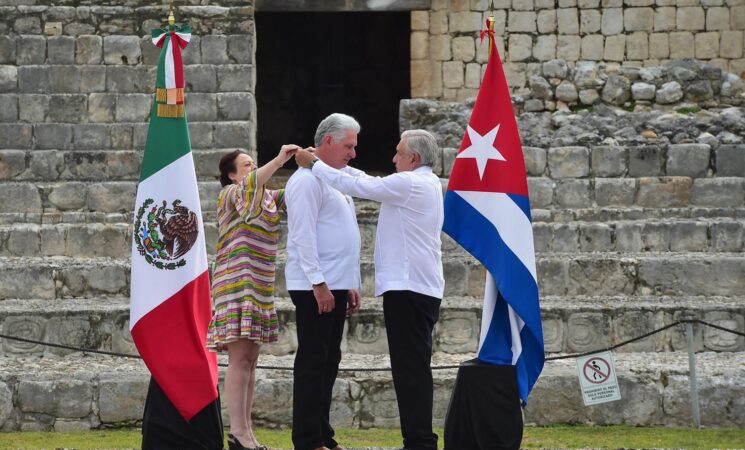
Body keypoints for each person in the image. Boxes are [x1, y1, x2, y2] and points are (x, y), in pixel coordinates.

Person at [295, 129, 445, 450]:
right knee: (411, 366)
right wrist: (328, 163)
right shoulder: (423, 182)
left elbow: (362, 186)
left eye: (398, 153)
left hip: (409, 289)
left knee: (410, 368)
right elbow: (363, 177)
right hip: (418, 287)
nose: (392, 159)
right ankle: (419, 440)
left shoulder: (411, 183)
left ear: (414, 158)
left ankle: (420, 442)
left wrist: (314, 164)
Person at [206, 145, 299, 450]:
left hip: (258, 286)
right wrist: (280, 159)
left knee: (250, 359)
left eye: (252, 164)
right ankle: (238, 432)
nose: (251, 169)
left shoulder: (268, 199)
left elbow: (295, 192)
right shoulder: (230, 194)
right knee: (239, 359)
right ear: (231, 175)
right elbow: (251, 183)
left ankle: (245, 431)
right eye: (245, 165)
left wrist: (313, 163)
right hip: (235, 284)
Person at [285, 113, 363, 450]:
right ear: (328, 141)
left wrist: (351, 282)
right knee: (313, 362)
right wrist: (318, 283)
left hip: (338, 282)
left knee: (330, 361)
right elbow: (303, 235)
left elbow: (345, 235)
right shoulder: (305, 180)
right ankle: (306, 439)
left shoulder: (338, 178)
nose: (353, 153)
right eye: (348, 146)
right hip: (314, 286)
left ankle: (322, 434)